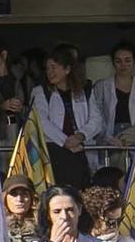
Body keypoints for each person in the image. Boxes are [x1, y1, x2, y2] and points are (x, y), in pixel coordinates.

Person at [32, 45, 98, 187]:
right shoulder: (41, 91)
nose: (50, 72)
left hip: (81, 149)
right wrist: (66, 141)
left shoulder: (85, 90)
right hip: (55, 150)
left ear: (67, 69)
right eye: (48, 68)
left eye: (54, 67)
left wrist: (80, 136)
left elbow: (96, 119)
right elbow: (41, 121)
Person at [90, 42, 135, 149]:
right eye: (118, 61)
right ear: (113, 63)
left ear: (134, 62)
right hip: (111, 137)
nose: (123, 65)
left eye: (127, 60)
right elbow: (97, 118)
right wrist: (107, 138)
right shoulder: (102, 86)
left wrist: (127, 137)